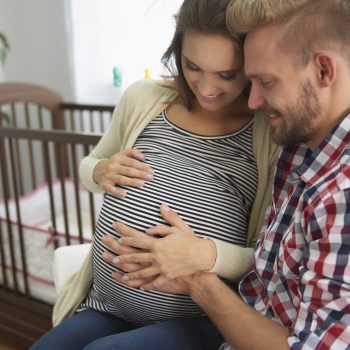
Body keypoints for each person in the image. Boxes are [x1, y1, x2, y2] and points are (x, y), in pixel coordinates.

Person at [29, 0, 278, 349]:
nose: (207, 88)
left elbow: (273, 255)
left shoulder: (269, 130)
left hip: (200, 317)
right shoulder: (143, 98)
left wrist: (206, 255)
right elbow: (91, 164)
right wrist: (100, 170)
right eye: (193, 66)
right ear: (178, 51)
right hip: (107, 305)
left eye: (227, 74)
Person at [108, 0, 350, 349]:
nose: (252, 103)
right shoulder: (299, 149)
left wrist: (198, 279)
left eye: (265, 81)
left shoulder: (339, 194)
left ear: (324, 71)